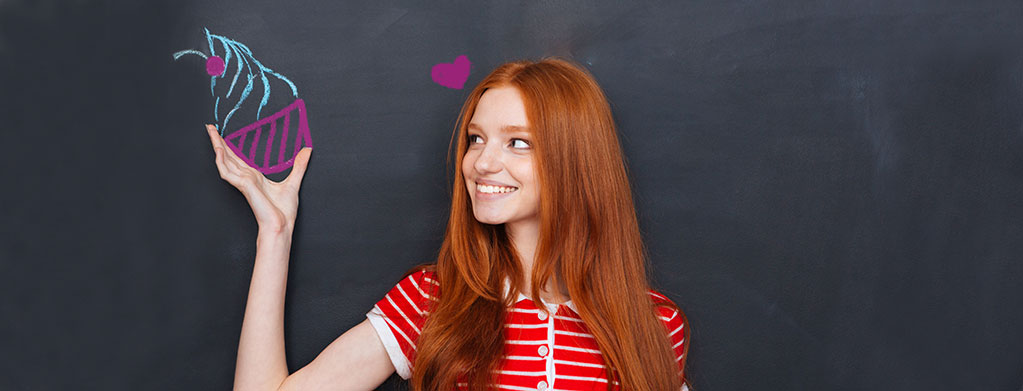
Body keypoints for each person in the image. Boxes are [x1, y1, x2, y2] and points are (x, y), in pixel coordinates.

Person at [207, 57, 691, 391]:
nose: (482, 163)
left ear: (576, 161)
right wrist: (275, 232)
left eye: (517, 142)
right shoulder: (434, 300)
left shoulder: (653, 325)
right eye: (476, 139)